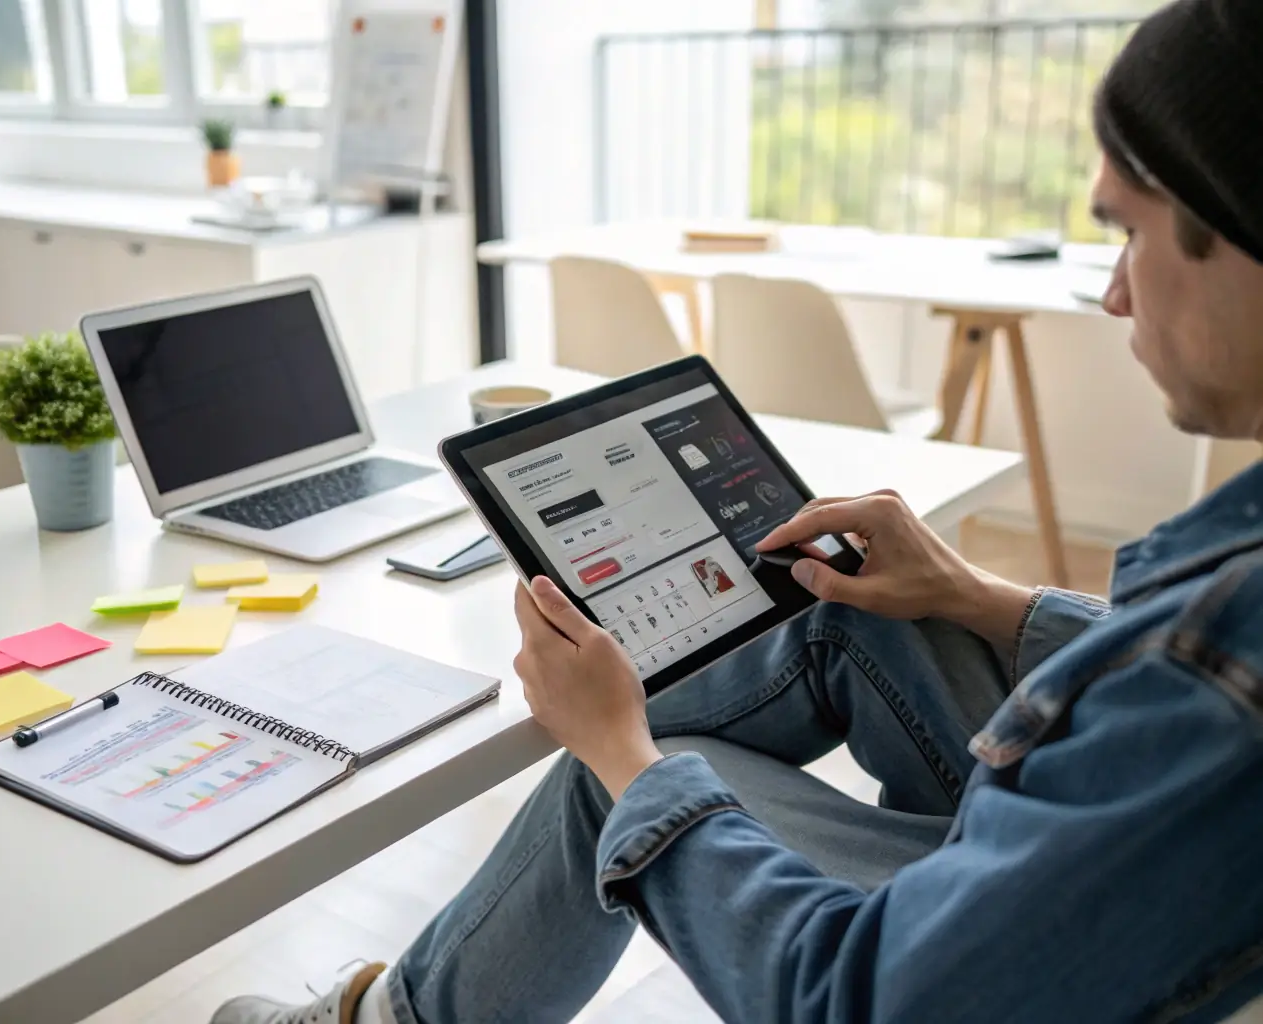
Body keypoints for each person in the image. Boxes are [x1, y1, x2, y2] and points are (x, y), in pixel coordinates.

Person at [215, 0, 1263, 1020]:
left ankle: (386, 1015)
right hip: (1085, 885)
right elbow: (1173, 673)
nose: (1117, 292)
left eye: (1128, 232)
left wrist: (623, 752)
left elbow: (854, 998)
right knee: (841, 602)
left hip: (961, 954)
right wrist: (978, 595)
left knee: (629, 777)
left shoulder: (1215, 672)